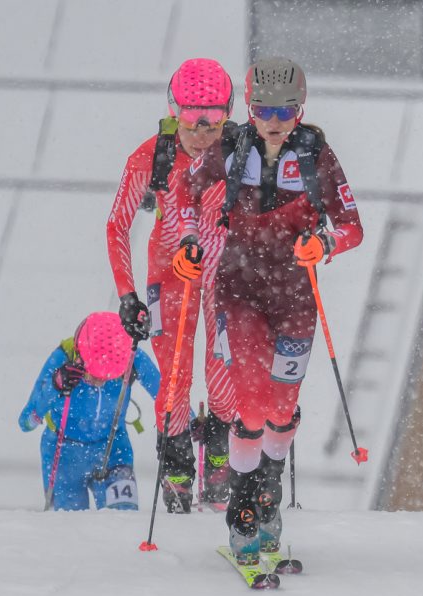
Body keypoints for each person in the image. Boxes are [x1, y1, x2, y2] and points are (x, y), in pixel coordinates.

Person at [172, 57, 363, 563]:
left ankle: (268, 494)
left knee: (281, 409)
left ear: (300, 110)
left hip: (295, 298)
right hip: (240, 291)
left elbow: (352, 225)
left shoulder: (317, 155)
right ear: (249, 109)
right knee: (252, 406)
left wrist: (324, 244)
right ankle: (242, 508)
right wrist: (189, 242)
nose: (273, 121)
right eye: (262, 109)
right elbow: (186, 194)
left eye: (284, 110)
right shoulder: (231, 148)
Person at [105, 58, 238, 513]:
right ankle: (178, 461)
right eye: (190, 120)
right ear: (173, 112)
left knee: (226, 378)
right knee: (174, 379)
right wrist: (127, 295)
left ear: (229, 113)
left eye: (214, 121)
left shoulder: (243, 151)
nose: (202, 133)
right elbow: (117, 226)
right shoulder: (152, 156)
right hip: (170, 274)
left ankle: (221, 450)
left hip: (224, 274)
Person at [19, 312, 160, 511]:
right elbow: (26, 422)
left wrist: (191, 425)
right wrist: (55, 386)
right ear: (80, 356)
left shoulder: (131, 356)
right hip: (64, 455)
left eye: (110, 377)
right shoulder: (63, 357)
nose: (100, 383)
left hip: (114, 451)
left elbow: (167, 398)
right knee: (70, 532)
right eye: (93, 375)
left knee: (124, 524)